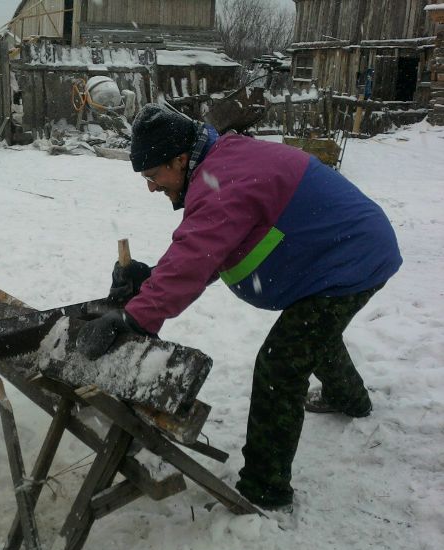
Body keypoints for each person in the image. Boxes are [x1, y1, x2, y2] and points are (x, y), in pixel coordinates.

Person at [77, 104, 402, 511]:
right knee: (310, 334)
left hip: (351, 258)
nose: (151, 187)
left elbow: (195, 256)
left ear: (180, 160)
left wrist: (134, 318)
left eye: (153, 175)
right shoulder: (220, 165)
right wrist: (151, 280)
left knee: (281, 364)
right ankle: (348, 397)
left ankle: (266, 491)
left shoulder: (222, 180)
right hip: (336, 252)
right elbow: (212, 249)